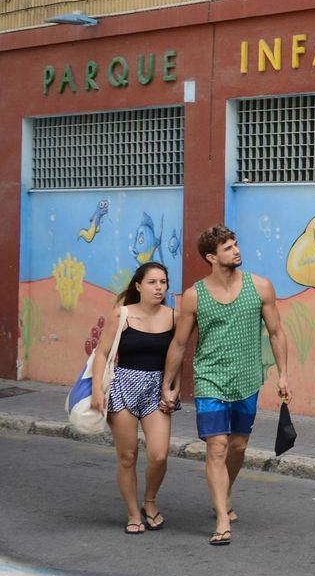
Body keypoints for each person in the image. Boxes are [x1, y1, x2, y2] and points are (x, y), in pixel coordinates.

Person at [162, 225, 291, 546]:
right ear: (211, 257)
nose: (236, 250)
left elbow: (276, 332)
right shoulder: (194, 295)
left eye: (235, 244)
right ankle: (221, 519)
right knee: (216, 447)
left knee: (238, 446)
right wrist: (170, 383)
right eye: (228, 247)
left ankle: (225, 491)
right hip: (209, 380)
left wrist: (284, 374)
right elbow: (179, 344)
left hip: (248, 379)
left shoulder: (260, 287)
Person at [89, 261, 177, 534]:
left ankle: (149, 501)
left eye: (162, 282)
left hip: (156, 388)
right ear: (138, 286)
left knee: (159, 455)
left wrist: (173, 387)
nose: (158, 287)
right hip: (123, 385)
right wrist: (96, 390)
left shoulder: (173, 317)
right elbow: (102, 353)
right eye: (152, 282)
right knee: (127, 456)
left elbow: (178, 354)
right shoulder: (122, 314)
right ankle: (132, 513)